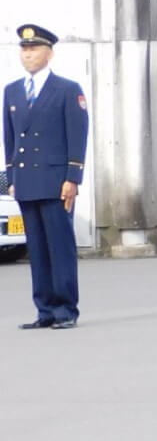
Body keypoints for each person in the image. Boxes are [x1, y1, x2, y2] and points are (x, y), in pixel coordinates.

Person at [6, 25, 87, 330]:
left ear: (49, 53)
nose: (28, 54)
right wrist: (12, 175)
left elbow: (77, 135)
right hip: (27, 182)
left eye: (34, 49)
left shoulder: (67, 89)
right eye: (24, 50)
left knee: (59, 248)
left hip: (55, 181)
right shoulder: (12, 90)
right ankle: (45, 310)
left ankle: (65, 309)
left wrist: (72, 177)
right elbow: (10, 138)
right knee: (37, 250)